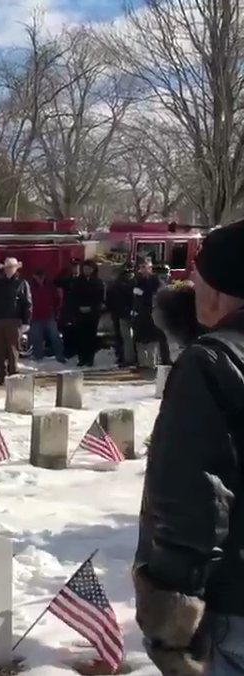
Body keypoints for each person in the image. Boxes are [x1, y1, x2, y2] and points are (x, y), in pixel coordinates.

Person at [133, 220, 244, 676]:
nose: (188, 285)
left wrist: (171, 626)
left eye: (196, 278)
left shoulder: (210, 363)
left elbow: (193, 504)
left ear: (218, 290)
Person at [0, 257, 32, 385]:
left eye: (11, 267)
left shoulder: (22, 283)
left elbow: (27, 303)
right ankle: (0, 377)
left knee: (13, 350)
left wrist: (26, 322)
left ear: (16, 268)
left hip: (14, 320)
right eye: (6, 267)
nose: (9, 270)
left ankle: (13, 376)